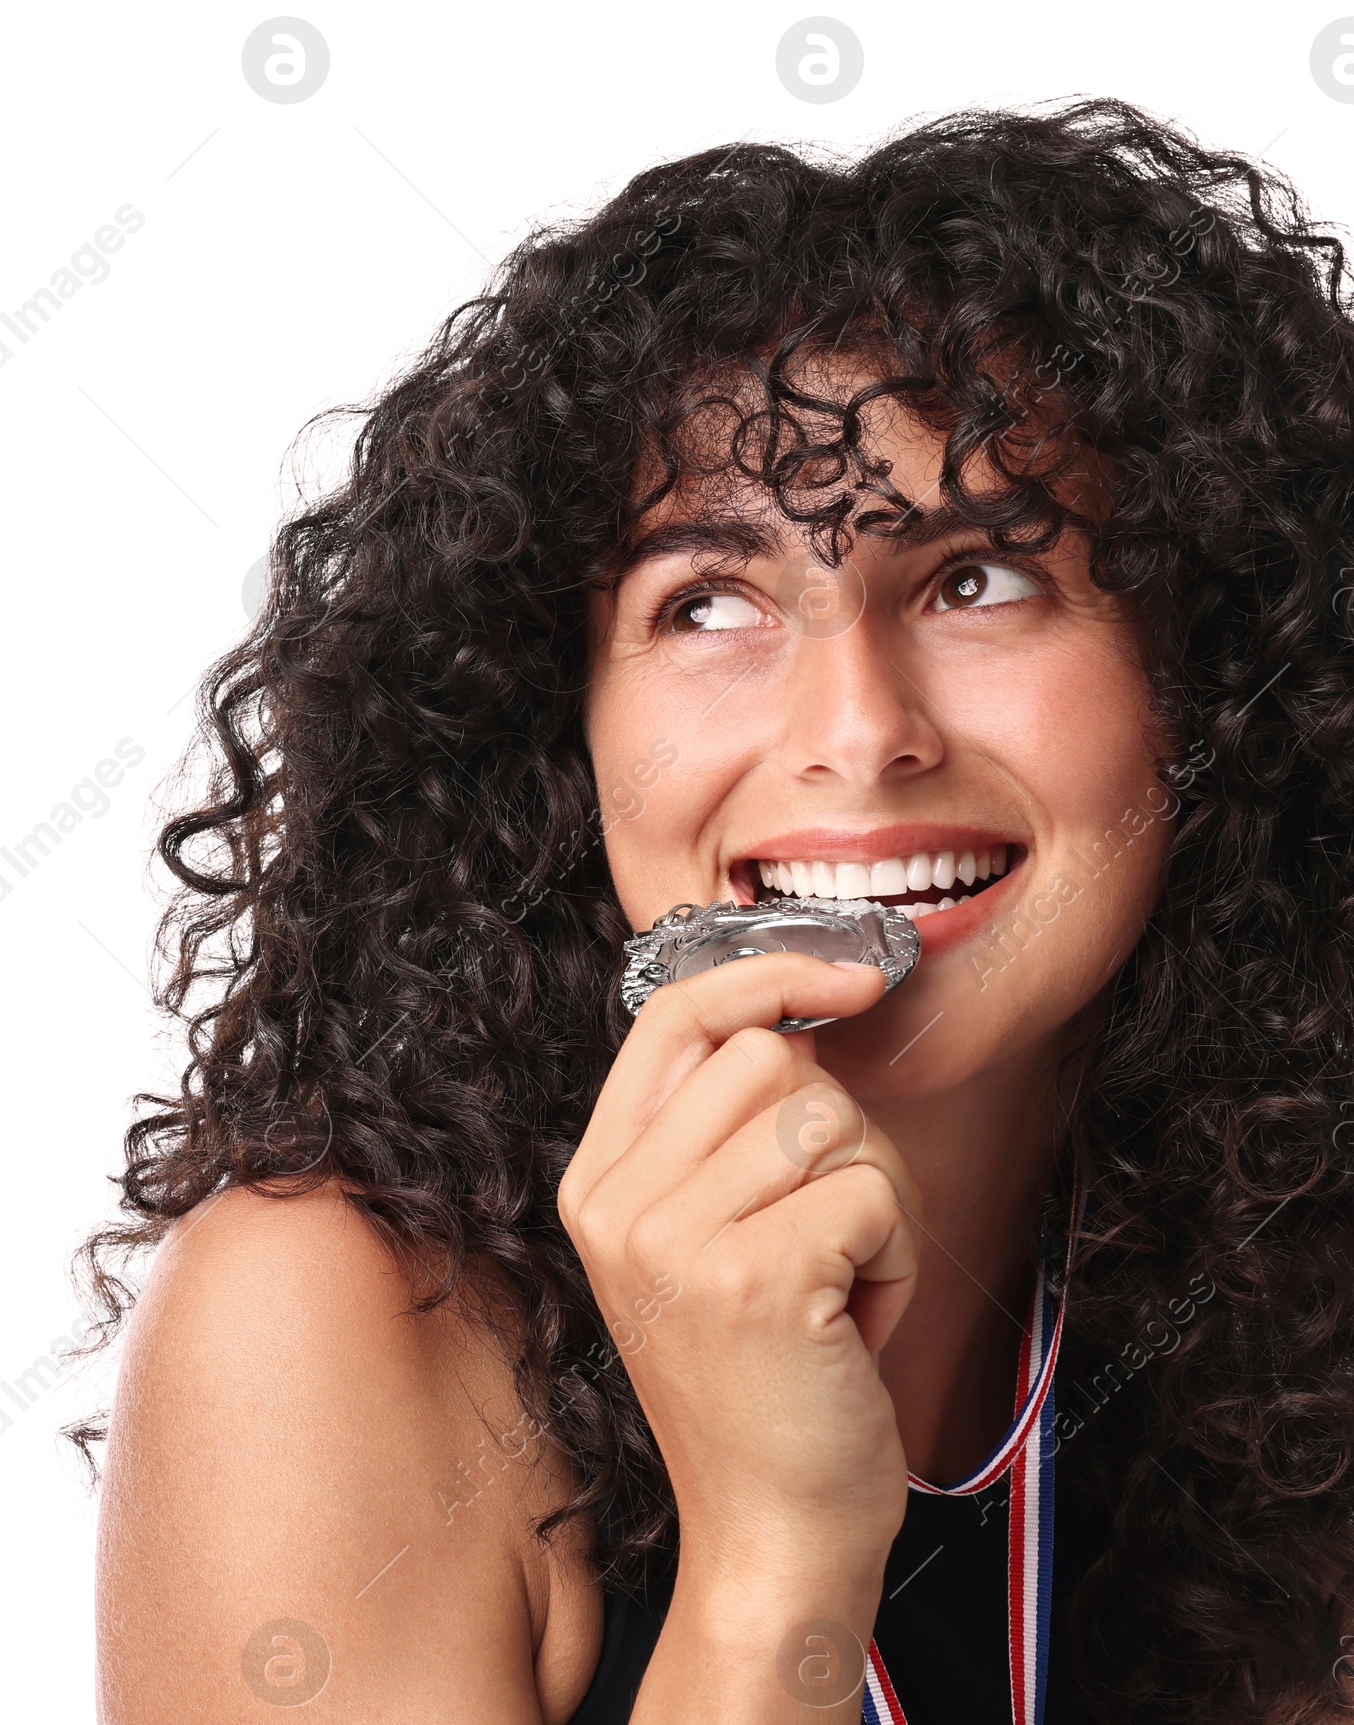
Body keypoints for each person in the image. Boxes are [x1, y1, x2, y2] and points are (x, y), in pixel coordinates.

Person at [76, 99, 1354, 1723]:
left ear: (1216, 684)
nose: (856, 727)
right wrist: (773, 1562)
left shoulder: (1288, 1283)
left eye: (978, 578)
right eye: (712, 598)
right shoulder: (326, 1331)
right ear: (559, 726)